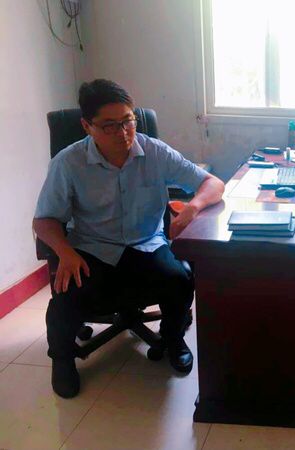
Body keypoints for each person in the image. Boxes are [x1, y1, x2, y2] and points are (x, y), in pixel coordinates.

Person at [33, 79, 225, 398]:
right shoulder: (68, 163)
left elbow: (213, 183)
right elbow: (44, 220)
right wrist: (64, 251)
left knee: (179, 279)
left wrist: (193, 207)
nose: (123, 133)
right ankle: (62, 359)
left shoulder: (154, 151)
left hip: (146, 242)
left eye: (128, 121)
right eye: (109, 126)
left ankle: (173, 339)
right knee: (66, 294)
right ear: (87, 126)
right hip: (92, 248)